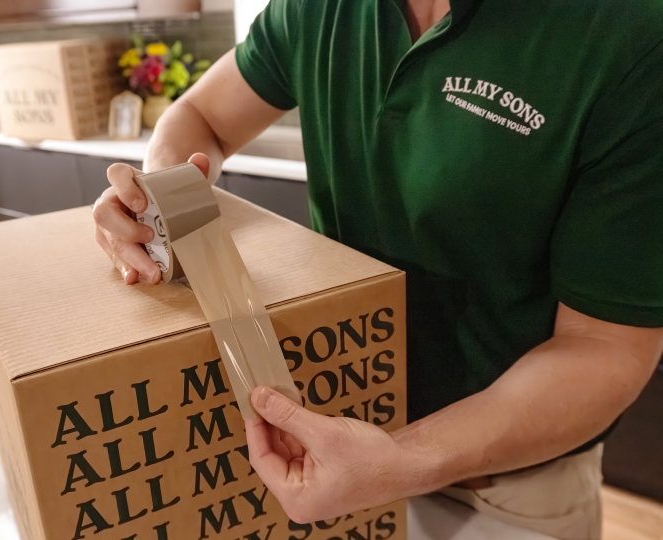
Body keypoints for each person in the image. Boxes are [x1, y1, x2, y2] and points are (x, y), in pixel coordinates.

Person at [92, 1, 663, 538]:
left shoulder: (630, 34)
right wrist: (160, 201)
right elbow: (203, 116)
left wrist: (405, 461)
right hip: (330, 434)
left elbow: (605, 346)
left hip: (503, 489)